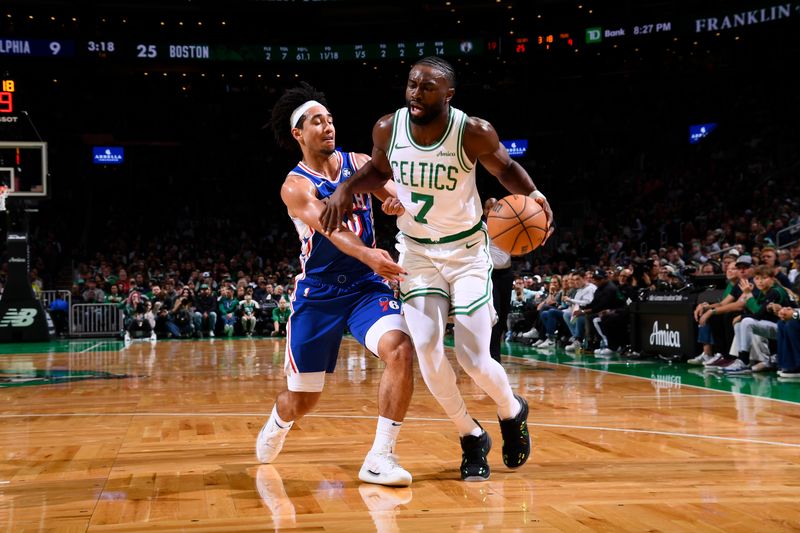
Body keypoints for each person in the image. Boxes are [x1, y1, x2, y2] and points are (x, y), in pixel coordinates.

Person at [320, 57, 554, 481]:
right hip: (418, 253)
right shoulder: (388, 128)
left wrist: (535, 194)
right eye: (411, 84)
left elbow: (504, 168)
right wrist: (344, 190)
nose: (415, 93)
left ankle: (511, 409)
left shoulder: (472, 131)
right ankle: (470, 436)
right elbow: (377, 170)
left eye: (427, 88)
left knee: (473, 358)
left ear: (449, 94)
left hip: (465, 253)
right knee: (426, 352)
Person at [258, 82, 415, 487]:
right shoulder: (296, 186)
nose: (327, 127)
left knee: (400, 350)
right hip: (320, 295)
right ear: (298, 133)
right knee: (303, 400)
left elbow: (391, 191)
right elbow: (330, 228)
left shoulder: (359, 161)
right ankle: (279, 421)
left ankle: (381, 456)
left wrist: (395, 200)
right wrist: (370, 254)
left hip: (366, 287)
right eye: (316, 121)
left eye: (329, 120)